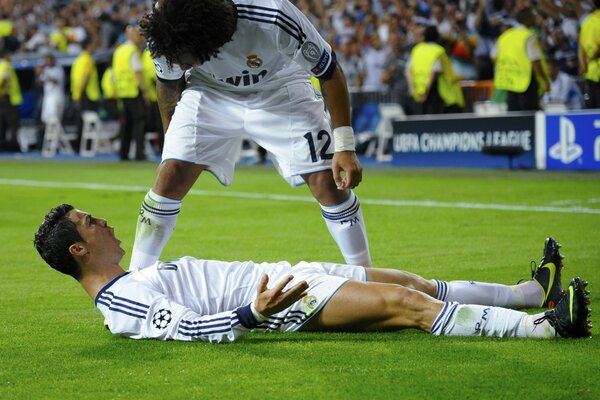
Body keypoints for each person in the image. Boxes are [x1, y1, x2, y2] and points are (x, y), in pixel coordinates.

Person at [34, 204, 592, 343]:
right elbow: (184, 329)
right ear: (80, 249)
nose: (103, 220)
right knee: (404, 302)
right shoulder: (120, 302)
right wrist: (254, 312)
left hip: (281, 274)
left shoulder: (133, 276)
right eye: (91, 221)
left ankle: (526, 292)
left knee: (409, 279)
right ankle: (544, 327)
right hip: (280, 298)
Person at [130, 0, 371, 271]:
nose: (180, 64)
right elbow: (169, 83)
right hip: (209, 91)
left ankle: (369, 276)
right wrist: (172, 140)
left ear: (214, 40)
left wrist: (345, 147)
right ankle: (135, 278)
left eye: (186, 59)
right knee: (170, 174)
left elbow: (329, 71)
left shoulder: (274, 15)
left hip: (281, 86)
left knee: (328, 183)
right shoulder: (166, 27)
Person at [491, 8, 550, 111]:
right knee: (529, 115)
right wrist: (544, 79)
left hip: (509, 82)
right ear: (527, 19)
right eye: (533, 17)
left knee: (514, 116)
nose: (535, 19)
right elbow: (535, 61)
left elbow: (493, 56)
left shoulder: (505, 35)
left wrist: (506, 68)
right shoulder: (528, 36)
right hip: (526, 82)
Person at [406, 26, 464, 114]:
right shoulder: (438, 50)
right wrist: (427, 92)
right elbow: (434, 72)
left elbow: (408, 70)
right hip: (438, 93)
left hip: (418, 91)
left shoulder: (417, 49)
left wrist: (411, 87)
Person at [112, 24, 148, 161]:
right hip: (133, 91)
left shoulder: (118, 51)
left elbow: (115, 73)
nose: (141, 37)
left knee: (126, 124)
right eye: (138, 34)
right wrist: (144, 91)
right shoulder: (133, 51)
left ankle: (123, 153)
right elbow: (137, 71)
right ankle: (139, 153)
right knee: (139, 121)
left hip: (122, 91)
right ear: (130, 36)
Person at [70, 36, 101, 151]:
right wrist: (82, 91)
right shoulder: (88, 59)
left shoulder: (78, 60)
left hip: (78, 94)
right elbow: (86, 77)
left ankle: (78, 145)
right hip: (88, 95)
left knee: (80, 121)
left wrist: (77, 94)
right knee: (89, 123)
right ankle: (88, 146)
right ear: (88, 46)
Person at [578, 0, 600, 109]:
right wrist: (591, 59)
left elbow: (581, 46)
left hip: (589, 72)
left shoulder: (587, 21)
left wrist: (583, 64)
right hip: (597, 71)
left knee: (593, 108)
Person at [0, 47, 22, 152]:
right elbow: (4, 79)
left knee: (2, 124)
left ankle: (3, 146)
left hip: (3, 98)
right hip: (8, 99)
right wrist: (4, 89)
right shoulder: (6, 66)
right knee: (13, 124)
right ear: (5, 56)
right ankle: (13, 147)